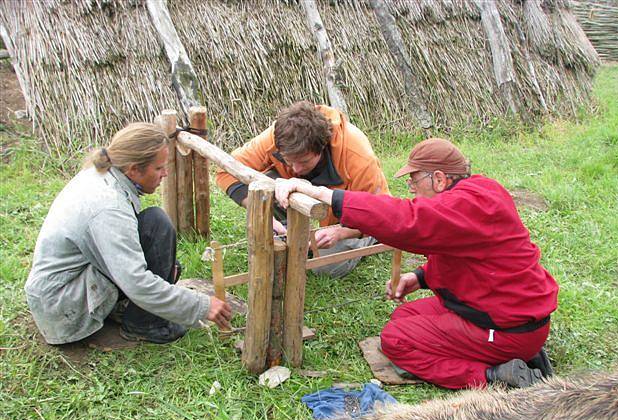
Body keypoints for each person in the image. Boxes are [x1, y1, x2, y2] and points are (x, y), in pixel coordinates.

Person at [274, 138, 559, 389]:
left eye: (414, 179)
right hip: (503, 312)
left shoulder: (467, 205)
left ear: (438, 178)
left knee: (397, 340)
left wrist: (326, 195)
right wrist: (420, 277)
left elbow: (407, 221)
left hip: (508, 326)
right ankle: (514, 353)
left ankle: (494, 374)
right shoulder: (481, 192)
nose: (410, 187)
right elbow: (463, 255)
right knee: (404, 318)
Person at [25, 123, 231, 345]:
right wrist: (201, 305)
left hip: (67, 287)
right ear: (134, 169)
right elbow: (136, 282)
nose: (165, 173)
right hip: (62, 305)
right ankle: (144, 325)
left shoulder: (104, 174)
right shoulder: (108, 207)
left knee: (157, 231)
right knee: (157, 226)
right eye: (159, 168)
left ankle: (128, 310)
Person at [216, 101, 389, 278]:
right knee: (264, 184)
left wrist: (341, 232)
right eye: (288, 161)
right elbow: (227, 171)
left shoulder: (357, 157)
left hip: (352, 211)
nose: (296, 170)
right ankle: (286, 231)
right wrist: (264, 214)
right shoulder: (277, 137)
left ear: (321, 147)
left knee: (324, 268)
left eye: (304, 162)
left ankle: (367, 239)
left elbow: (379, 212)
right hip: (299, 193)